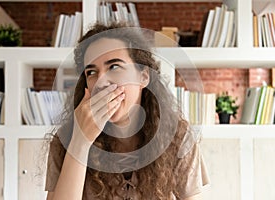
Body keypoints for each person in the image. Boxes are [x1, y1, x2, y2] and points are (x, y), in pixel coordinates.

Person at [45, 22, 209, 200]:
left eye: (114, 67)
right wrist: (80, 141)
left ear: (143, 76)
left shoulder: (178, 137)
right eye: (91, 72)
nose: (101, 82)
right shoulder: (65, 140)